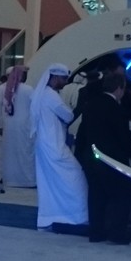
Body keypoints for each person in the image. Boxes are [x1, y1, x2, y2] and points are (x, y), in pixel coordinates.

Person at [76, 71, 131, 244]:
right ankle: (117, 234)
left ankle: (96, 232)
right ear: (119, 88)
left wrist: (81, 155)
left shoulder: (90, 105)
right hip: (112, 160)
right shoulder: (116, 109)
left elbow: (82, 133)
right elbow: (123, 136)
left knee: (96, 195)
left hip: (91, 157)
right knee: (120, 195)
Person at [31, 64, 89, 235]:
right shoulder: (51, 96)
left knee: (51, 183)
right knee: (75, 177)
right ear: (55, 77)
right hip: (54, 146)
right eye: (63, 79)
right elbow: (68, 115)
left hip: (47, 143)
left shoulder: (44, 94)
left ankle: (54, 215)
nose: (65, 82)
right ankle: (74, 215)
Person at [0, 66, 36, 187]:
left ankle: (10, 179)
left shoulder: (7, 89)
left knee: (10, 153)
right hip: (24, 125)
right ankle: (26, 180)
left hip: (9, 125)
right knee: (24, 152)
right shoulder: (28, 89)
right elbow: (35, 107)